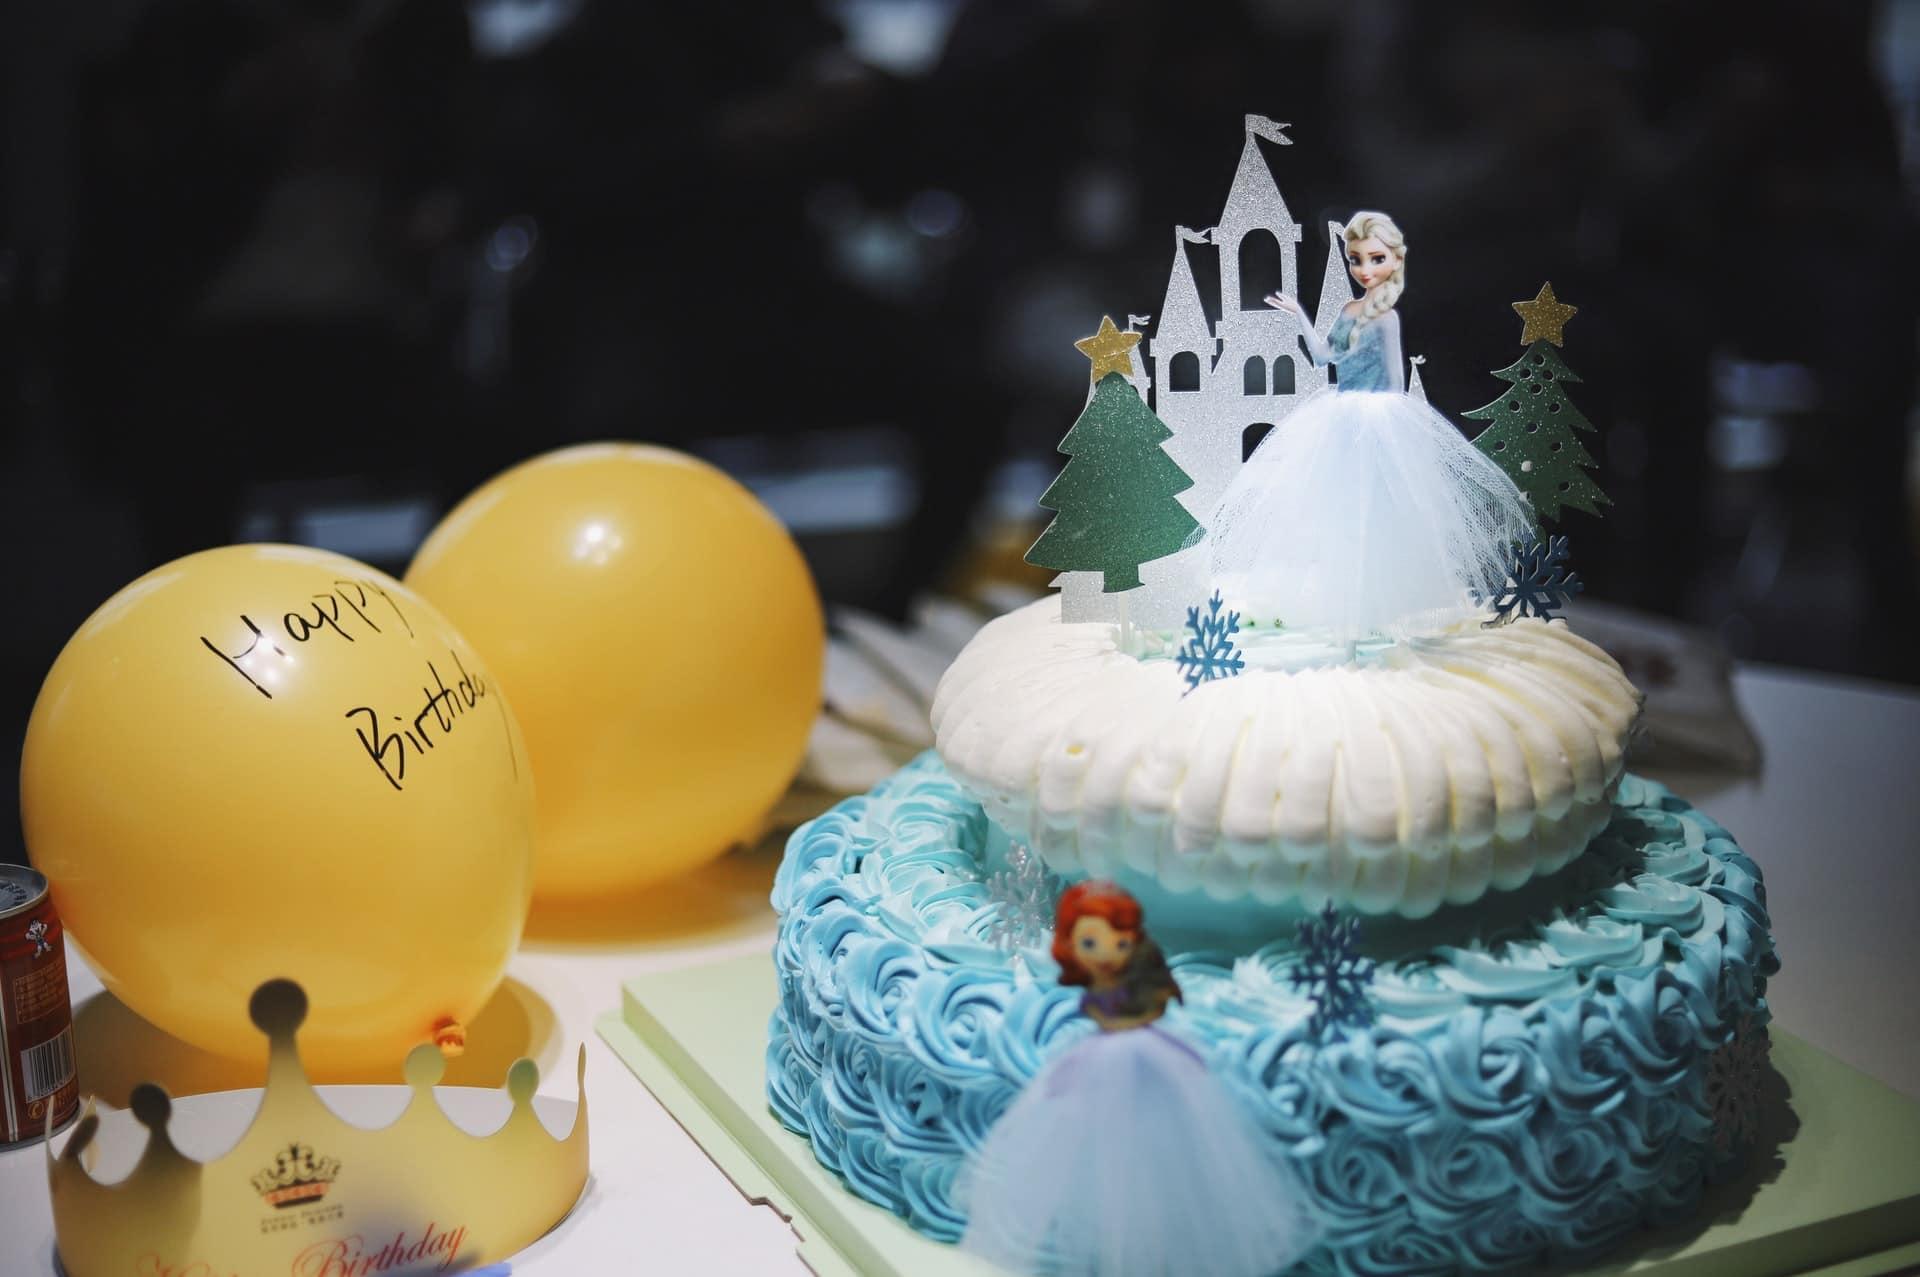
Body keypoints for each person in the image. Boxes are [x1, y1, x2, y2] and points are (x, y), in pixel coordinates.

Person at [958, 881, 1318, 1277]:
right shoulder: (1095, 990)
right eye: (1090, 945)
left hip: (1148, 1056)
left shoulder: (1140, 985)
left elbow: (1157, 1002)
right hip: (1104, 1060)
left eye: (1118, 943)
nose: (1107, 955)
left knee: (1159, 1146)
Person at [1207, 212, 1534, 639]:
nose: (1364, 270)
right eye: (1356, 260)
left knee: (1378, 512)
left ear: (1395, 261)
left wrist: (1397, 424)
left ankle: (1376, 615)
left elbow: (1396, 379)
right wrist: (1300, 316)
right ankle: (1340, 609)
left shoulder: (1388, 318)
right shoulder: (1348, 310)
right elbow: (1324, 357)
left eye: (1375, 259)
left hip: (1377, 417)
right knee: (1334, 510)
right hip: (1341, 413)